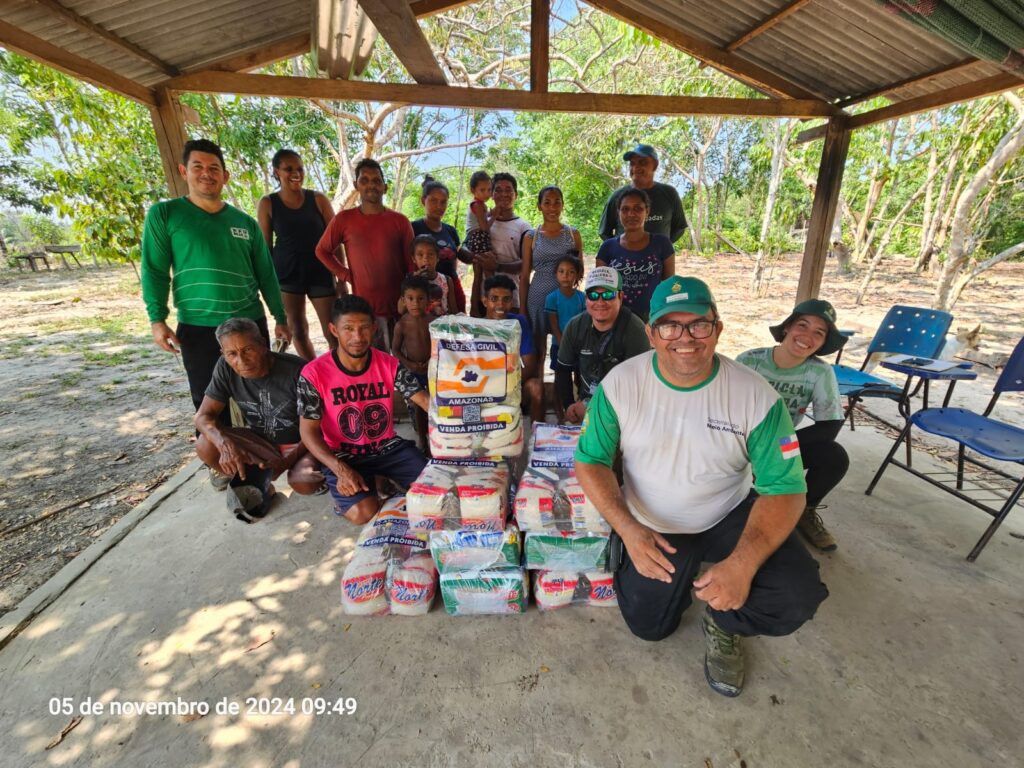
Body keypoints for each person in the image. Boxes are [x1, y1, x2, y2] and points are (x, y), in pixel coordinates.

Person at [574, 276, 828, 698]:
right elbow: (591, 462)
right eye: (670, 326)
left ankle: (724, 622)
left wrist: (743, 563)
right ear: (651, 333)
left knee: (796, 596)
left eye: (698, 325)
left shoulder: (756, 396)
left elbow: (785, 490)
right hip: (652, 521)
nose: (685, 338)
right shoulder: (620, 384)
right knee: (650, 628)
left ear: (718, 329)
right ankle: (659, 566)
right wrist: (628, 530)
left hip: (726, 514)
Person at [142, 138, 290, 414]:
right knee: (208, 398)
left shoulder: (245, 223)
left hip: (248, 323)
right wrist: (157, 319)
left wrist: (280, 317)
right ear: (183, 171)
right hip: (199, 325)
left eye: (213, 167)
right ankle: (220, 454)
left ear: (225, 176)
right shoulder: (165, 215)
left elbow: (266, 274)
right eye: (197, 166)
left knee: (260, 395)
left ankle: (264, 454)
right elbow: (154, 269)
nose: (206, 173)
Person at [298, 295, 429, 525]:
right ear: (333, 330)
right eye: (348, 328)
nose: (357, 337)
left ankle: (378, 478)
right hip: (344, 455)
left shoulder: (389, 364)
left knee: (434, 490)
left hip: (387, 448)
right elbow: (308, 431)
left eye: (364, 328)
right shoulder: (313, 373)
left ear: (374, 329)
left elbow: (425, 402)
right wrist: (339, 469)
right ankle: (362, 488)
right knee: (363, 513)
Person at [737, 299, 850, 552]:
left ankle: (803, 510)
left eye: (818, 333)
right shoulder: (750, 360)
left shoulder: (820, 372)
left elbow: (829, 426)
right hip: (737, 439)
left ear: (822, 343)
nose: (807, 336)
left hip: (782, 443)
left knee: (834, 456)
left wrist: (776, 451)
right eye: (802, 325)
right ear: (787, 327)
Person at [194, 318, 324, 521]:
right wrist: (223, 441)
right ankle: (258, 484)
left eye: (247, 350)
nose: (241, 361)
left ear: (263, 345)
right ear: (224, 355)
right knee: (205, 445)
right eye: (232, 354)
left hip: (303, 442)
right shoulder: (225, 367)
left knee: (304, 483)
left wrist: (283, 463)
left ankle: (312, 473)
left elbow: (322, 427)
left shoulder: (299, 371)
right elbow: (203, 416)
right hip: (262, 442)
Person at [314, 158, 414, 352]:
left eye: (376, 180)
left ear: (385, 187)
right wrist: (345, 275)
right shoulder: (344, 219)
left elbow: (411, 265)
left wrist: (409, 304)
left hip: (399, 309)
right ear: (356, 185)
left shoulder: (400, 221)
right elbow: (322, 250)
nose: (371, 185)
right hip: (366, 312)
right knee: (374, 362)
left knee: (401, 362)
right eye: (365, 180)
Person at [257, 149, 338, 361]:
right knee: (298, 331)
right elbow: (265, 248)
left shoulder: (318, 199)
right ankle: (313, 373)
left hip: (320, 272)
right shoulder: (268, 203)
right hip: (287, 275)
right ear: (276, 172)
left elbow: (335, 240)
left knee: (333, 331)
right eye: (288, 169)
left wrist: (340, 276)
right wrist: (268, 284)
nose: (296, 173)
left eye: (300, 169)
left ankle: (338, 372)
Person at [555, 266, 649, 424]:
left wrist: (596, 411)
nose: (600, 302)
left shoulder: (635, 330)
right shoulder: (575, 326)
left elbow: (640, 387)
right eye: (593, 295)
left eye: (607, 294)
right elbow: (563, 369)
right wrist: (569, 405)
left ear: (620, 296)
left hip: (625, 409)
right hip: (586, 401)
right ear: (586, 299)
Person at [520, 185, 584, 372]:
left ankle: (561, 396)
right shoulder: (531, 237)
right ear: (539, 206)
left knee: (566, 346)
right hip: (537, 298)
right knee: (538, 351)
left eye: (557, 202)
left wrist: (575, 298)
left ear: (563, 205)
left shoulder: (573, 234)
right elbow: (524, 275)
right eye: (547, 202)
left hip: (566, 300)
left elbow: (579, 270)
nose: (552, 207)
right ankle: (538, 395)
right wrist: (523, 309)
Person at [596, 187, 675, 322]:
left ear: (647, 211)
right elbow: (601, 290)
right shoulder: (607, 248)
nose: (631, 214)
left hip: (652, 319)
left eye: (638, 209)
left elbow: (669, 286)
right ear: (618, 213)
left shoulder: (662, 244)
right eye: (625, 209)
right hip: (616, 320)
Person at [461, 172, 531, 317]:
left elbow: (527, 265)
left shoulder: (524, 227)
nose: (503, 194)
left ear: (516, 195)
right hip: (483, 301)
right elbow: (462, 250)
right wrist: (476, 258)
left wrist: (497, 266)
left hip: (512, 301)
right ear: (491, 194)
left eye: (508, 190)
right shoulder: (481, 222)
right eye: (498, 190)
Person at [481, 274, 544, 425]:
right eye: (494, 299)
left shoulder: (518, 322)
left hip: (514, 387)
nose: (500, 305)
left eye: (506, 299)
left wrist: (504, 386)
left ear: (512, 301)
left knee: (536, 386)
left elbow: (529, 365)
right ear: (485, 301)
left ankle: (537, 439)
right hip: (483, 390)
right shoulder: (476, 326)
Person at [598, 144, 688, 245]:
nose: (636, 168)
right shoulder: (618, 196)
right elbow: (604, 232)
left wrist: (662, 248)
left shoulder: (669, 194)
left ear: (655, 165)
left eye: (642, 162)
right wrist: (619, 251)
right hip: (625, 260)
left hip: (658, 260)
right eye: (632, 163)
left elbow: (679, 227)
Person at [412, 175, 466, 313]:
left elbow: (454, 260)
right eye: (434, 201)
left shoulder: (450, 230)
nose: (439, 206)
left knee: (456, 323)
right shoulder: (413, 228)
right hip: (425, 290)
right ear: (423, 201)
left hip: (452, 286)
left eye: (443, 202)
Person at [392, 276, 433, 454]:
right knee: (418, 405)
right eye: (410, 298)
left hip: (433, 369)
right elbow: (395, 350)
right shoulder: (401, 325)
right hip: (414, 370)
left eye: (420, 298)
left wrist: (432, 361)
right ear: (403, 300)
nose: (415, 303)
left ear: (428, 300)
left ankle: (437, 436)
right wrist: (410, 365)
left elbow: (441, 346)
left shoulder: (433, 321)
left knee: (435, 403)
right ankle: (422, 440)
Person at [544, 254, 586, 421]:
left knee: (580, 375)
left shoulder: (581, 298)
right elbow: (554, 325)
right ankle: (562, 407)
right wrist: (563, 344)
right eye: (561, 271)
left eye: (570, 272)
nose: (565, 275)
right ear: (556, 274)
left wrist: (578, 343)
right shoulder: (552, 298)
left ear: (577, 275)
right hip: (559, 345)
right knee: (561, 377)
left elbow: (584, 323)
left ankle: (580, 406)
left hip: (579, 345)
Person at [397, 235, 457, 317]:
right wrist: (414, 280)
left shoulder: (446, 280)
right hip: (420, 327)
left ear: (437, 257)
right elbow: (400, 310)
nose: (425, 258)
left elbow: (454, 311)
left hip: (441, 327)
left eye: (431, 254)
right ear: (414, 259)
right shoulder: (411, 280)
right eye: (420, 255)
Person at [464, 170, 494, 256]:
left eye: (489, 190)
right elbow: (484, 227)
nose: (487, 194)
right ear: (473, 190)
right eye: (482, 190)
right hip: (477, 237)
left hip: (475, 237)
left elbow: (480, 217)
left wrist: (489, 214)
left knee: (478, 259)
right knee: (481, 259)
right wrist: (494, 216)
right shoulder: (478, 205)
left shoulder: (479, 204)